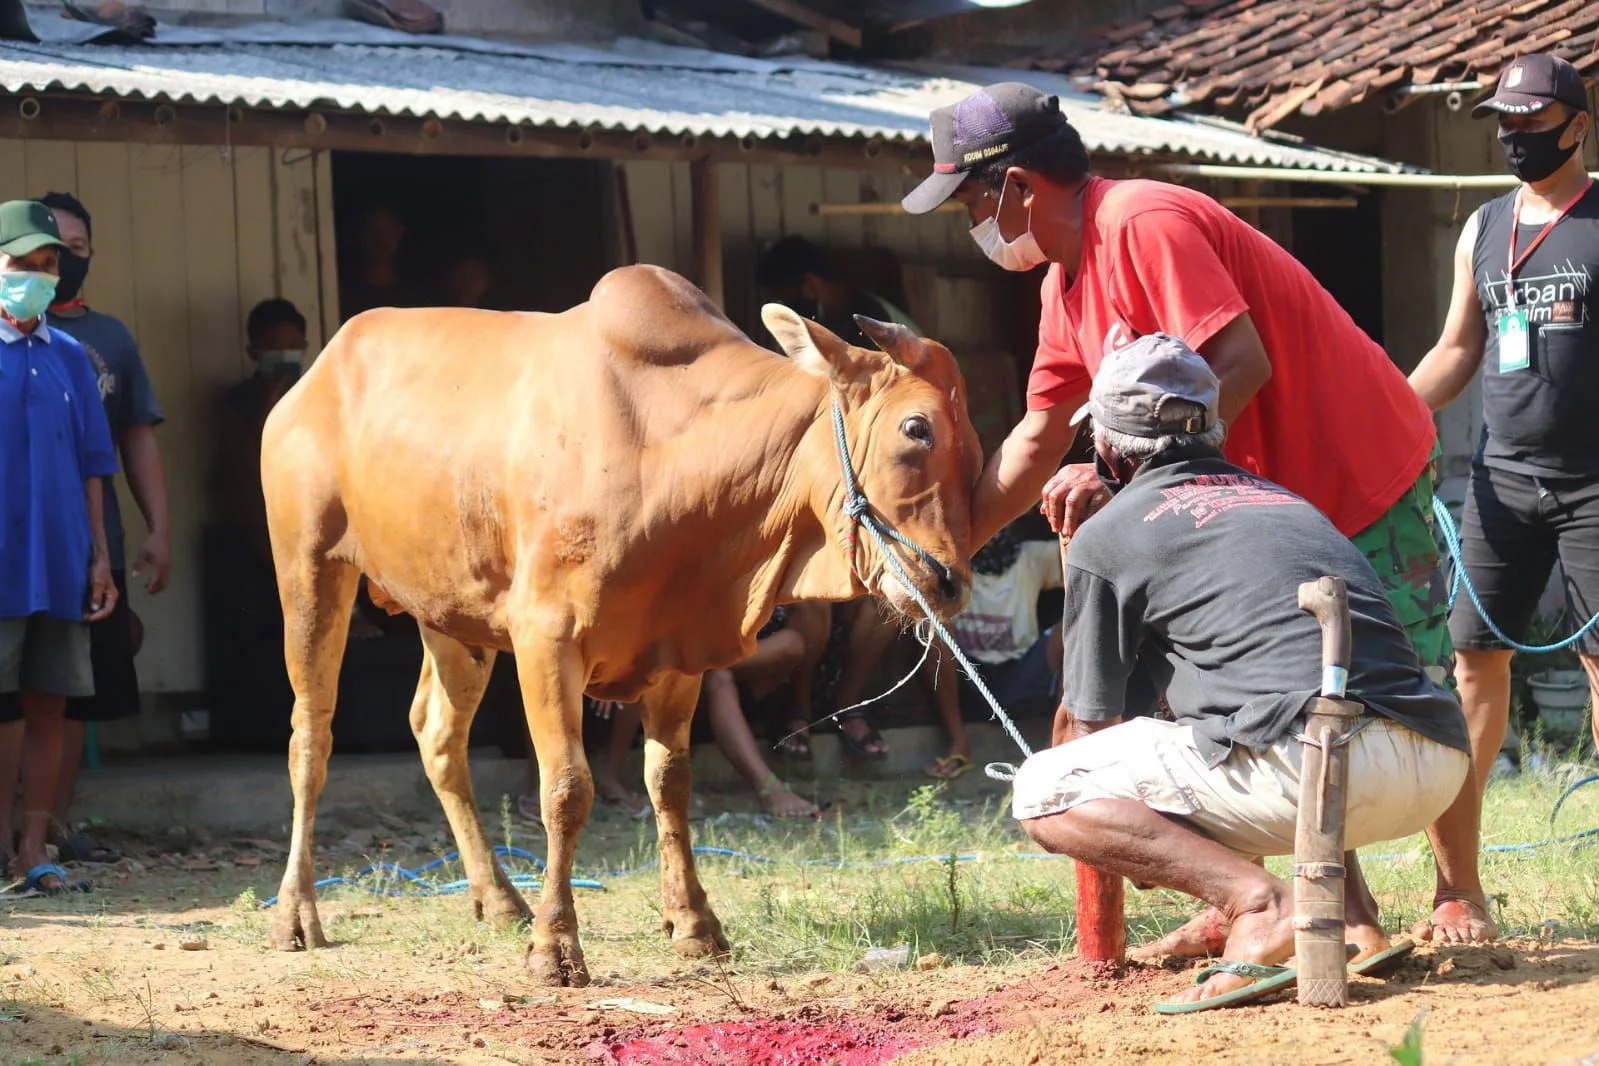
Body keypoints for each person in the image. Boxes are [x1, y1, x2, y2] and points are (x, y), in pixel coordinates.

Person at [901, 81, 1489, 944]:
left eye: (969, 198)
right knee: (1282, 702)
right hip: (1241, 506)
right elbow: (1034, 435)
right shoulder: (1063, 290)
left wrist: (1135, 486)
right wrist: (946, 552)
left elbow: (1237, 364)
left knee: (1401, 680)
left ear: (1018, 185)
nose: (968, 221)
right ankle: (1342, 916)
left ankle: (1456, 892)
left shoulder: (1141, 221)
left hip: (1352, 469)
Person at [1010, 334, 1472, 1010]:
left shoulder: (1108, 535)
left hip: (1314, 774)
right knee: (1299, 695)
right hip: (1433, 766)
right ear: (1215, 428)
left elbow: (1088, 726)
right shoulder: (1285, 501)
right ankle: (1352, 921)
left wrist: (1142, 841)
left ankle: (1256, 905)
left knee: (1043, 791)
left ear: (1105, 448)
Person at [1409, 53, 1599, 886]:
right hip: (1501, 481)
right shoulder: (1483, 227)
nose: (1514, 136)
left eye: (1530, 122)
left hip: (1595, 485)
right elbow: (1456, 348)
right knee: (1472, 663)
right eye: (1504, 122)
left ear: (1578, 126)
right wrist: (1388, 416)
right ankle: (1458, 888)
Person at [39, 191, 170, 863]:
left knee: (75, 694)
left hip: (94, 548)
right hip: (18, 548)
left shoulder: (109, 338)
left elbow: (134, 438)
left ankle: (52, 825)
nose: (64, 260)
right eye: (51, 246)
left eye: (78, 249)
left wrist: (158, 527)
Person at [0, 200, 119, 894]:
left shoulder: (71, 356)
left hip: (61, 561)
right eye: (21, 264)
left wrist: (99, 557)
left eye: (47, 266)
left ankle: (33, 849)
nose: (35, 278)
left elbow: (93, 465)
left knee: (49, 703)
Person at [922, 521, 1064, 779]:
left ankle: (1055, 746)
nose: (992, 531)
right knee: (934, 628)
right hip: (969, 681)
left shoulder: (1030, 557)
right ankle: (959, 742)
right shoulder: (949, 565)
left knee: (1072, 629)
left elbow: (1080, 558)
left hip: (1021, 677)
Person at [755, 235, 919, 346]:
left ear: (811, 284)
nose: (791, 307)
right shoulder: (836, 320)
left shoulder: (871, 318)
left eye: (790, 300)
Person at [339, 204, 411, 318]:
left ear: (399, 232)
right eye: (370, 228)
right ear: (357, 234)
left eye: (388, 228)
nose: (380, 237)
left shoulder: (414, 291)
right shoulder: (341, 293)